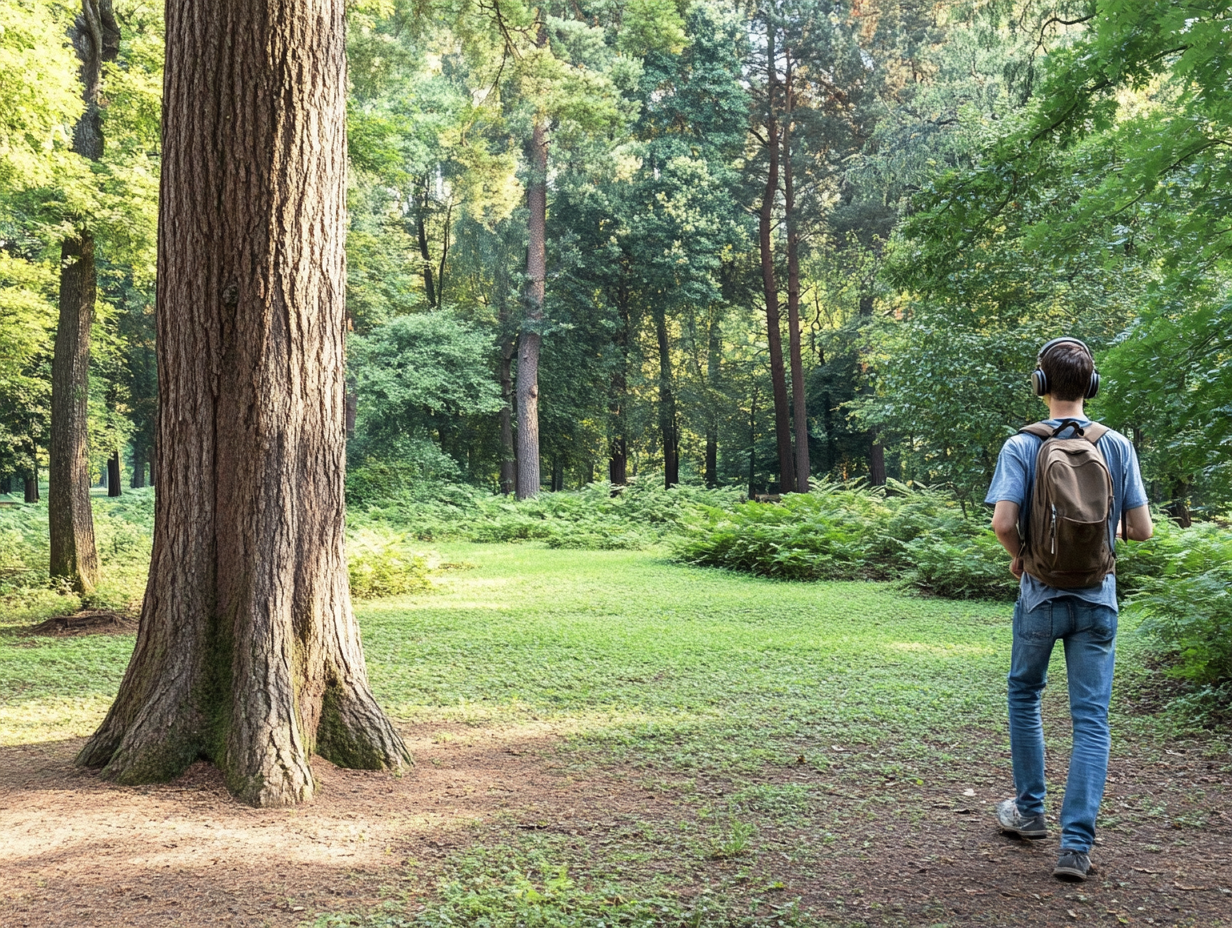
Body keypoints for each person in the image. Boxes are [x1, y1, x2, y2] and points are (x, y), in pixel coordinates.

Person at [985, 337, 1153, 882]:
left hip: (1039, 595)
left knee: (1025, 695)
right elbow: (1142, 531)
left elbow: (1004, 524)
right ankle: (1075, 847)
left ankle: (1030, 814)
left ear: (1040, 385)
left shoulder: (1022, 445)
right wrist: (1103, 532)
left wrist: (1023, 559)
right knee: (1091, 720)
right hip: (1097, 599)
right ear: (1092, 385)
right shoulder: (1117, 446)